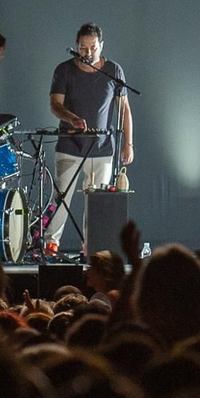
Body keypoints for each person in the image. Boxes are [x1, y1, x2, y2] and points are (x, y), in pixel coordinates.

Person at [44, 24, 134, 254]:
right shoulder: (64, 70)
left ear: (101, 46)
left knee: (96, 205)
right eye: (82, 48)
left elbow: (124, 108)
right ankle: (50, 245)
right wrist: (71, 118)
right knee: (60, 199)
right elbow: (55, 104)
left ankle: (92, 247)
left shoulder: (113, 71)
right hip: (69, 145)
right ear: (77, 47)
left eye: (92, 47)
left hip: (101, 149)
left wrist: (128, 143)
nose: (87, 52)